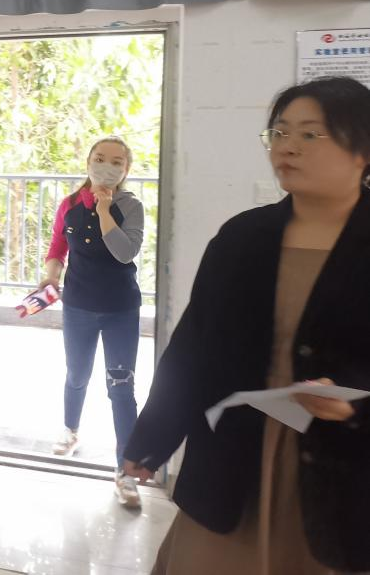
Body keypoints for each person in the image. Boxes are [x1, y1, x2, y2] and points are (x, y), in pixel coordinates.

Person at [124, 77, 370, 574]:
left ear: (362, 149)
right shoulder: (242, 238)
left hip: (343, 470)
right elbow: (192, 349)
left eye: (309, 134)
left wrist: (357, 402)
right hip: (233, 454)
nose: (287, 147)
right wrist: (153, 437)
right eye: (279, 133)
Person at [40, 136, 145, 507]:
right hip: (79, 305)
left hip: (120, 309)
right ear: (87, 162)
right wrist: (51, 275)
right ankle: (70, 430)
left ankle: (125, 472)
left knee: (121, 387)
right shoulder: (69, 204)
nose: (106, 167)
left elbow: (125, 252)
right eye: (100, 159)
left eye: (116, 162)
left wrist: (104, 209)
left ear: (126, 170)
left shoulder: (131, 206)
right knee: (77, 373)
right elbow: (58, 247)